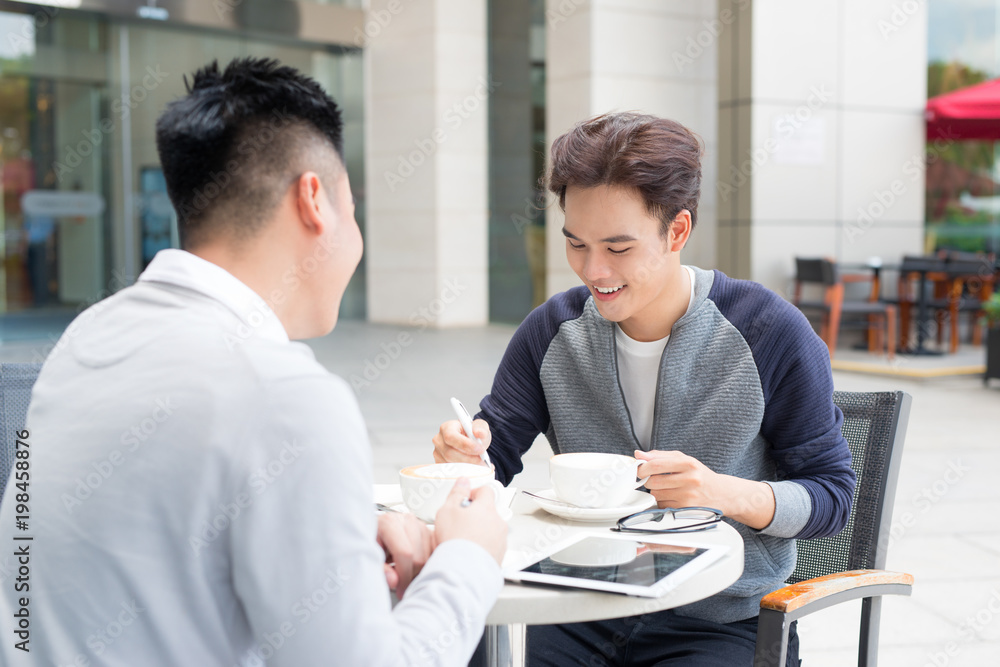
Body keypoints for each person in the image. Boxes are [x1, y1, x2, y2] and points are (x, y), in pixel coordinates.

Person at [0, 58, 507, 667]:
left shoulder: (86, 340)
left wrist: (340, 534)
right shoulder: (286, 396)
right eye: (352, 209)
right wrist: (468, 558)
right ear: (313, 200)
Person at [432, 112, 856, 666]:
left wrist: (722, 492)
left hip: (718, 621)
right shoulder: (550, 331)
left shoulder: (768, 331)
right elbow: (494, 462)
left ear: (677, 230)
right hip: (580, 608)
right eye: (576, 244)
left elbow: (834, 495)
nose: (593, 269)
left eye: (618, 247)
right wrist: (463, 458)